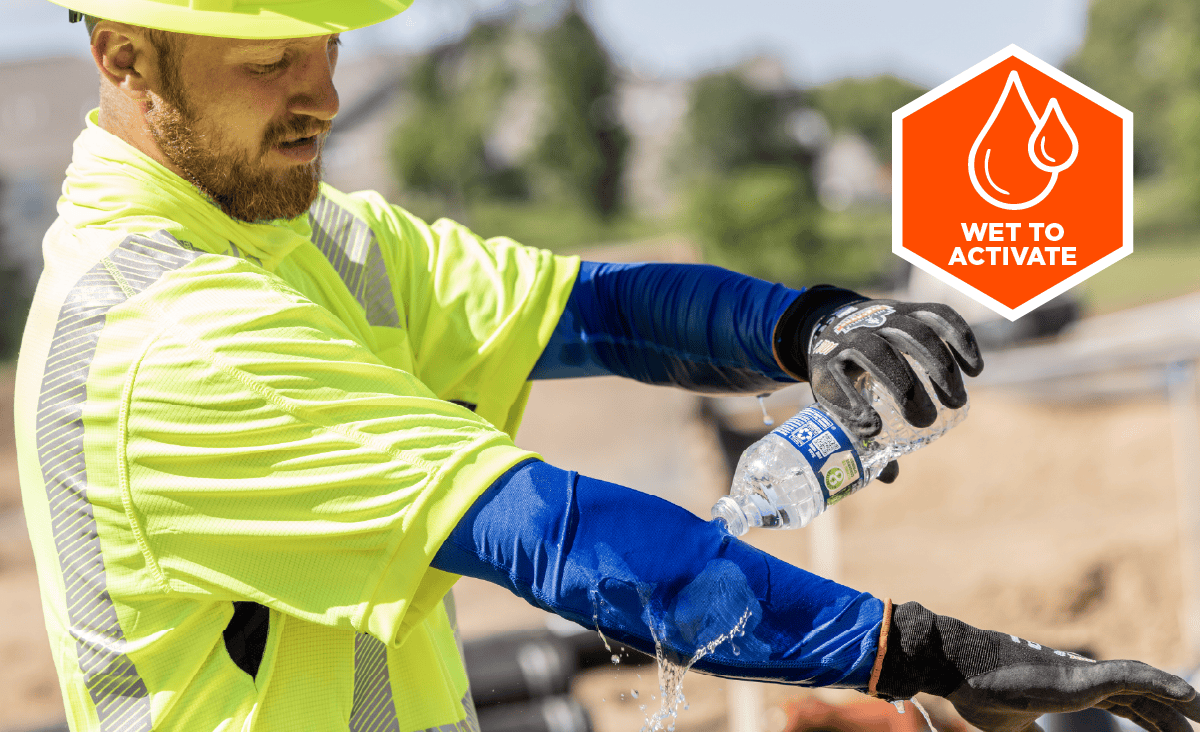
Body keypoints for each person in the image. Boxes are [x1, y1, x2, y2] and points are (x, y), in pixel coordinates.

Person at [14, 1, 1198, 731]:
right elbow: (559, 539)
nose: (322, 92)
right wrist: (934, 654)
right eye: (271, 59)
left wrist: (811, 326)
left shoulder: (297, 237)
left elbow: (594, 306)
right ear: (127, 58)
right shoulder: (166, 335)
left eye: (324, 43)